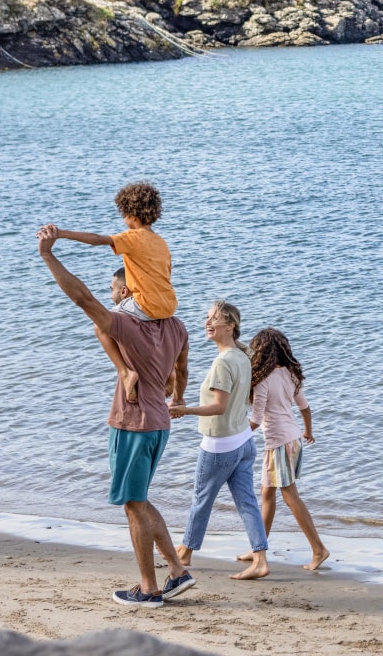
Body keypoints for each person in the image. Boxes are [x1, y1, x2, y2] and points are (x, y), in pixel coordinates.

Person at [36, 227, 195, 608]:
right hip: (160, 422)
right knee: (138, 499)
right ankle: (177, 570)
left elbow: (82, 298)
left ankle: (149, 589)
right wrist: (179, 396)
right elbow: (183, 373)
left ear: (131, 287)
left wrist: (48, 255)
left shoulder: (125, 324)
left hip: (133, 422)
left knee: (133, 504)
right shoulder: (177, 326)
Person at [39, 181, 177, 405]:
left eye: (124, 214)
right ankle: (169, 371)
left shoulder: (132, 237)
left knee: (100, 325)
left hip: (146, 305)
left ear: (132, 214)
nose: (124, 220)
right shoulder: (161, 243)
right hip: (168, 305)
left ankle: (125, 371)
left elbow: (98, 239)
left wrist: (62, 234)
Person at [171, 300, 270, 581]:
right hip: (243, 442)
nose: (208, 323)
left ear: (231, 326)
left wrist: (184, 409)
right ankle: (260, 559)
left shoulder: (223, 362)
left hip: (220, 445)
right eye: (207, 318)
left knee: (201, 499)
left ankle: (186, 552)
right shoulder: (243, 355)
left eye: (215, 319)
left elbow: (219, 407)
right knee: (247, 502)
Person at [247, 328, 329, 570]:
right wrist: (308, 431)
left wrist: (235, 435)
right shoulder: (290, 375)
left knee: (289, 494)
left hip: (279, 443)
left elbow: (256, 419)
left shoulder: (262, 381)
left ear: (259, 353)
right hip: (293, 439)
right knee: (267, 494)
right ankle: (258, 549)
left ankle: (318, 549)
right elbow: (304, 407)